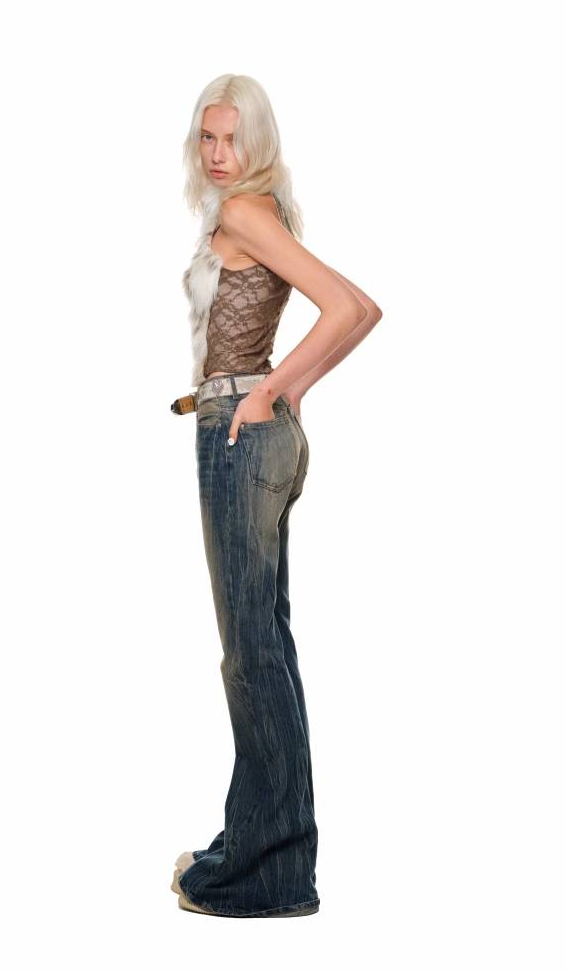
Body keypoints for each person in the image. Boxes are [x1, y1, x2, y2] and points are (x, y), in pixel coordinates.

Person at [170, 74, 383, 918]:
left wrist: (269, 392)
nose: (219, 154)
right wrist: (285, 392)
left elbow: (351, 308)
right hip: (254, 428)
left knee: (252, 655)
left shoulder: (245, 213)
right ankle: (261, 842)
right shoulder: (259, 210)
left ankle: (271, 873)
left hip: (239, 432)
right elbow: (353, 310)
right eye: (208, 137)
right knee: (263, 649)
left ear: (257, 141)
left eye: (233, 138)